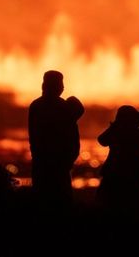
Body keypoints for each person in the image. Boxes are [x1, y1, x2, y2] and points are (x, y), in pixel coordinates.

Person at [28, 70, 84, 210]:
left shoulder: (36, 105)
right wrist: (69, 158)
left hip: (43, 163)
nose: (62, 87)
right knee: (60, 203)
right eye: (60, 84)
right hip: (57, 163)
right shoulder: (62, 107)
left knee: (43, 203)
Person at [96, 105, 139, 218]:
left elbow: (102, 140)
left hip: (117, 174)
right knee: (134, 205)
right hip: (135, 175)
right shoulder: (138, 133)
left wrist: (115, 125)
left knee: (115, 206)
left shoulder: (118, 133)